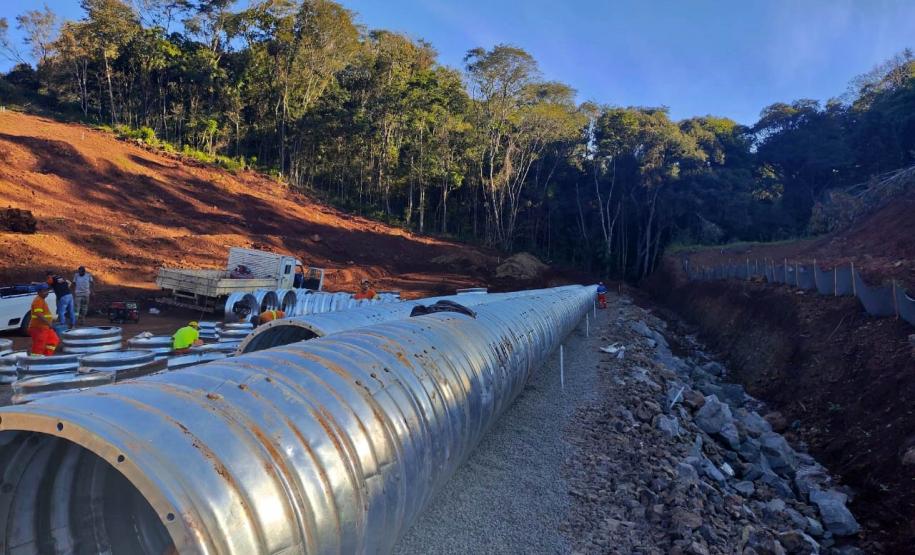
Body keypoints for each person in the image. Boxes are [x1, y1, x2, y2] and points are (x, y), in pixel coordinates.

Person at [28, 284, 60, 355]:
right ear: (39, 292)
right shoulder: (38, 300)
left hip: (45, 327)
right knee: (39, 346)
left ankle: (46, 357)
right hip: (38, 328)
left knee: (53, 340)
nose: (47, 292)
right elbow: (38, 314)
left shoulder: (41, 300)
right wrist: (49, 323)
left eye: (47, 290)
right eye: (44, 291)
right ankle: (36, 361)